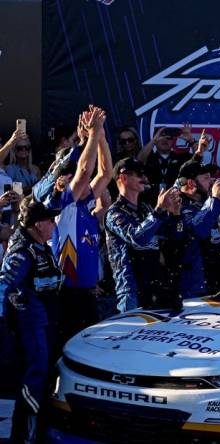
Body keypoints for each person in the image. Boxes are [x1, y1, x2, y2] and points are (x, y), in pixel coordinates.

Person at [48, 106, 113, 343]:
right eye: (73, 175)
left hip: (87, 293)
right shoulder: (64, 205)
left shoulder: (85, 203)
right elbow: (85, 171)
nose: (83, 177)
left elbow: (106, 173)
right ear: (63, 180)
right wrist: (92, 134)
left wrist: (101, 137)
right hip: (67, 294)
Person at [0, 196, 61, 443]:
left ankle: (37, 432)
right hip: (30, 327)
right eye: (50, 220)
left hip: (46, 323)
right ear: (37, 224)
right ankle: (23, 436)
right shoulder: (23, 252)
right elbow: (3, 284)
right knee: (34, 378)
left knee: (44, 379)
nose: (54, 224)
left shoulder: (40, 247)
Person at [165, 130, 220, 299]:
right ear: (190, 183)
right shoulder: (178, 207)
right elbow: (199, 230)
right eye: (205, 178)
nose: (211, 181)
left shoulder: (206, 200)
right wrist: (215, 200)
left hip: (217, 283)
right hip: (195, 289)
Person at [104, 157, 183, 312]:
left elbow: (174, 237)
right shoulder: (114, 213)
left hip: (155, 286)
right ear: (123, 177)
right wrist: (159, 210)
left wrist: (175, 215)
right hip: (131, 290)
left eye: (144, 173)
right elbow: (137, 239)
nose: (144, 178)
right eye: (139, 174)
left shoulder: (146, 208)